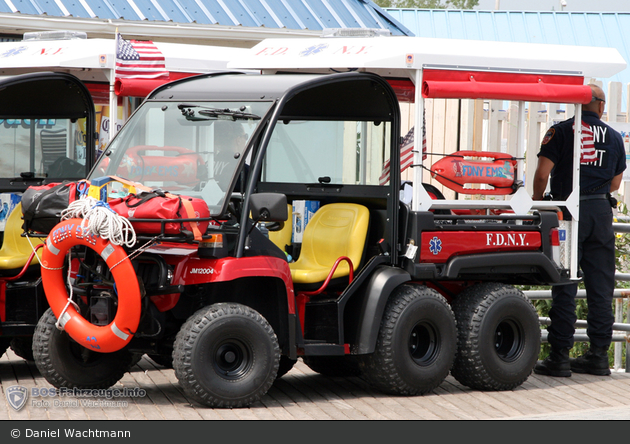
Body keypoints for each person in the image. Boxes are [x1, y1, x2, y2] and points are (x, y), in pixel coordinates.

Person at [532, 84, 626, 377]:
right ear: (598, 106)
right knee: (601, 288)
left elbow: (542, 173)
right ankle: (598, 356)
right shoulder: (613, 137)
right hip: (600, 213)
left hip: (570, 213)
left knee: (565, 283)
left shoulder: (561, 131)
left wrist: (539, 203)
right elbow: (615, 185)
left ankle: (559, 356)